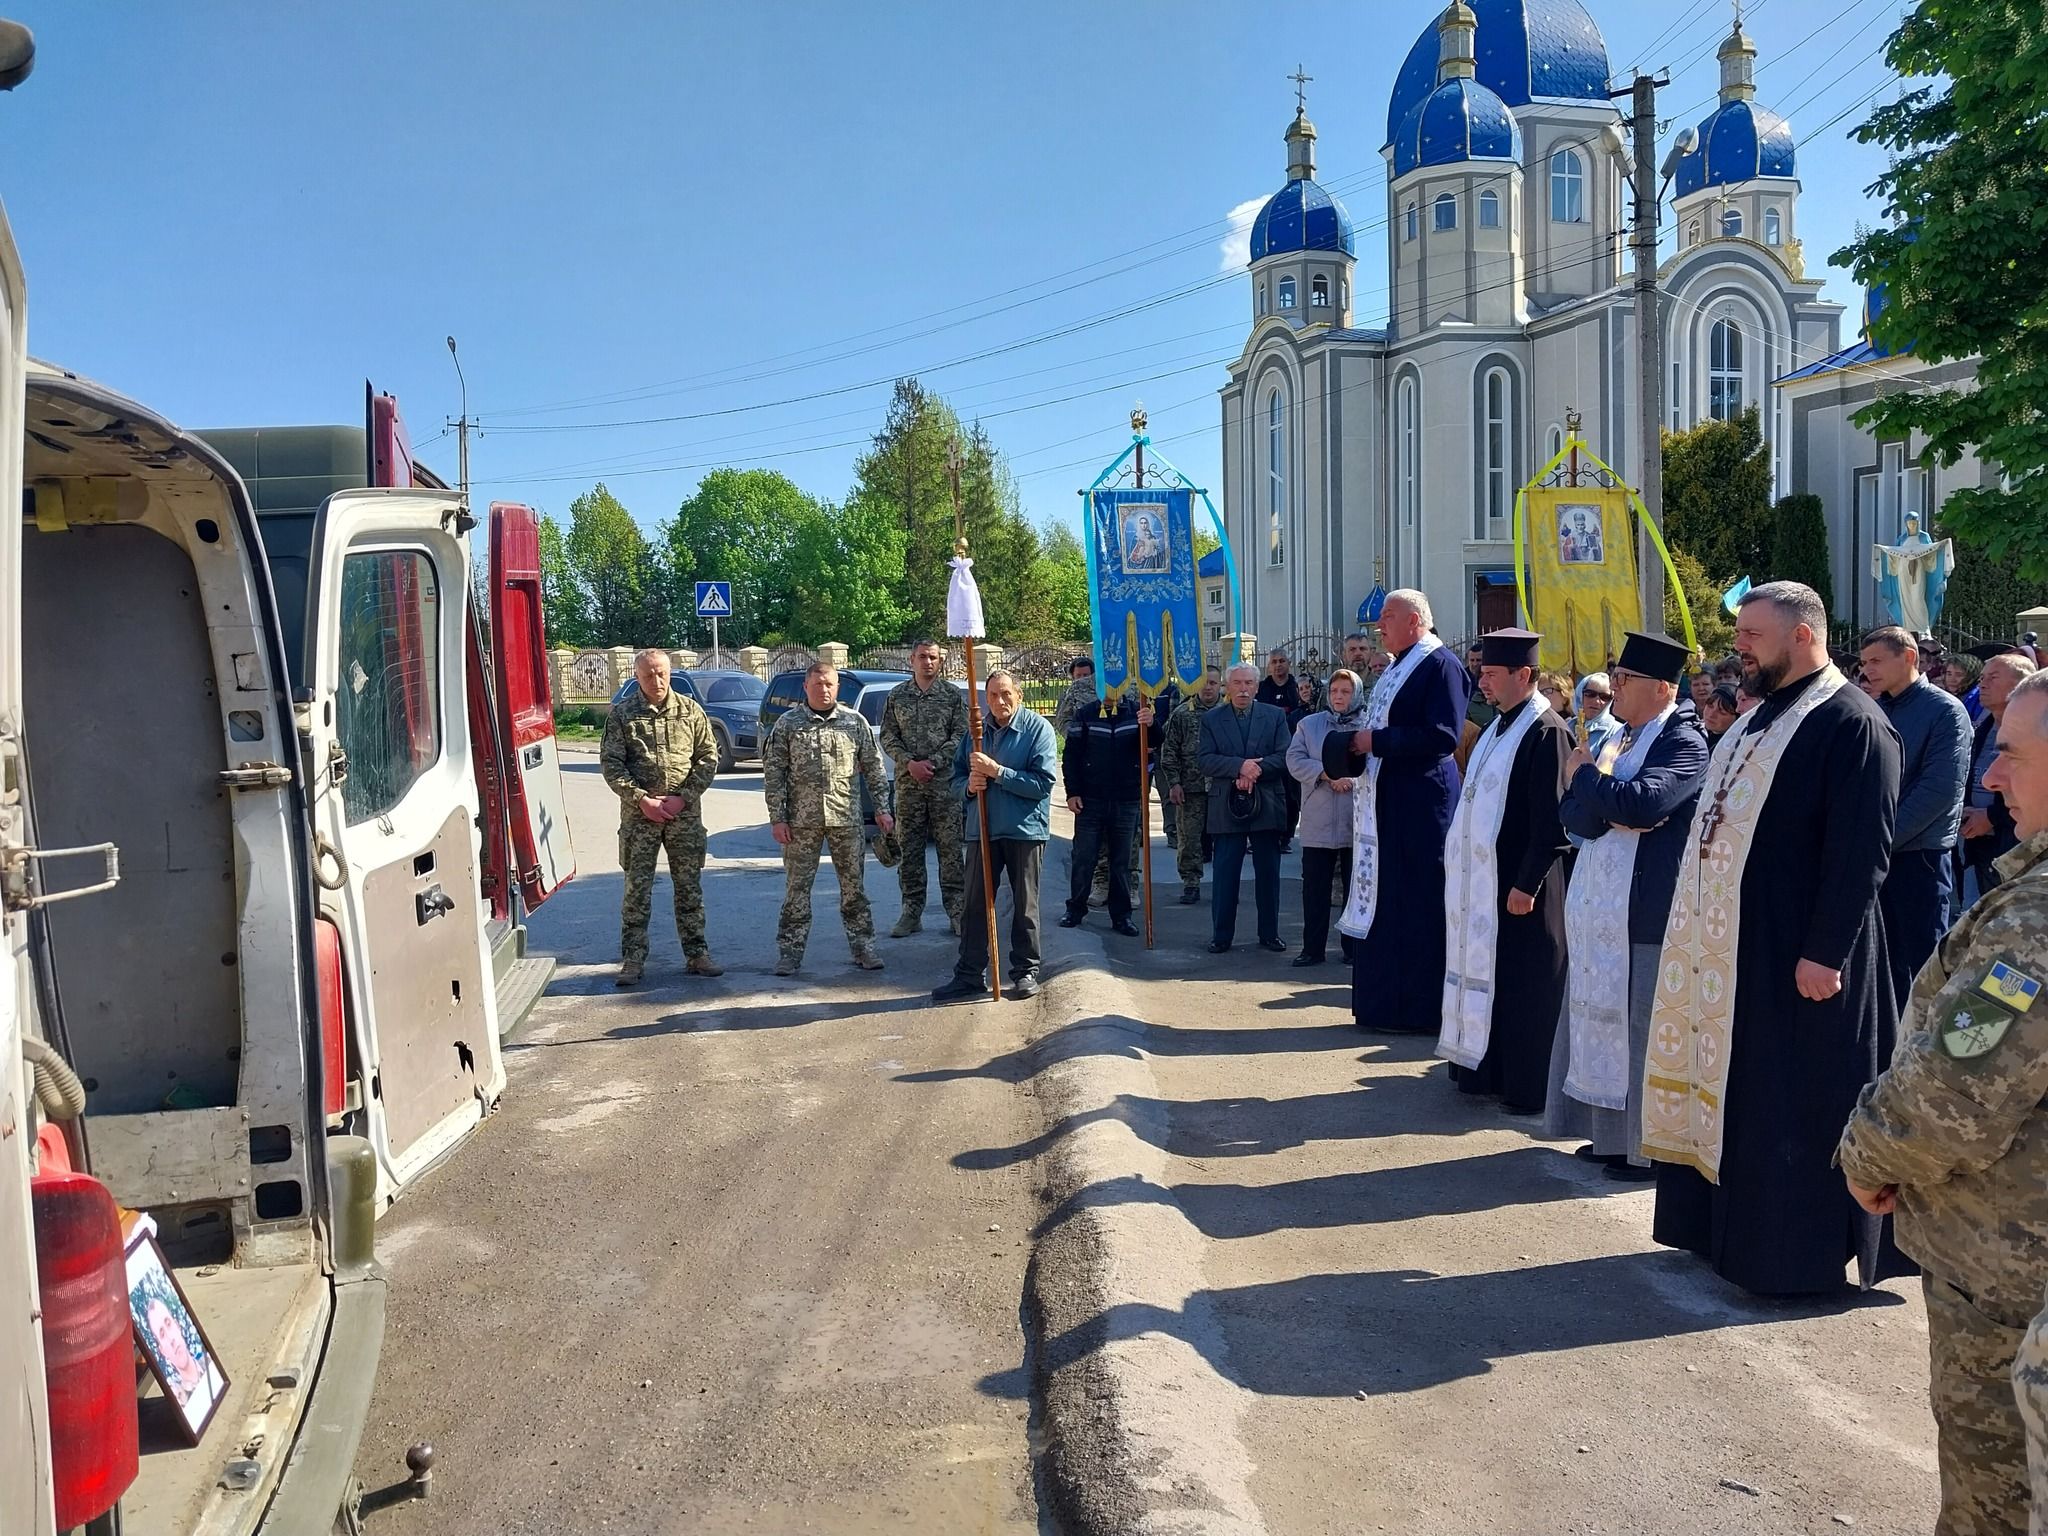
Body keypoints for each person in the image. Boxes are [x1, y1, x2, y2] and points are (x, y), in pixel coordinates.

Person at [1645, 582, 1903, 1296]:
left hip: (1806, 957)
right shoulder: (1760, 720)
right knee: (1744, 1099)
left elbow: (1862, 851)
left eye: (1753, 634)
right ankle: (1725, 1237)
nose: (1741, 647)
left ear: (1800, 635)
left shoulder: (1852, 721)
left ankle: (1794, 1262)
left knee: (1797, 1106)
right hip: (1735, 956)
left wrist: (1825, 951)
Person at [1836, 667, 2048, 1536]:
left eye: (2014, 756)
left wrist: (1867, 1156)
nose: (1992, 775)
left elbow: (1959, 1086)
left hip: (2010, 1274)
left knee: (1996, 1500)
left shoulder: (2033, 925)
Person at [1546, 632, 1709, 1179]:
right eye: (1612, 678)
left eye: (1624, 680)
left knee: (1639, 1030)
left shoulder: (1683, 741)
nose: (1613, 687)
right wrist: (1601, 794)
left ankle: (1647, 1149)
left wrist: (1589, 778)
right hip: (1603, 908)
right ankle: (1611, 1138)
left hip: (1645, 909)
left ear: (1662, 687)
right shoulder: (1621, 738)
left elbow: (1645, 804)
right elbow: (1579, 819)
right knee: (1602, 1022)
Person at [1436, 630, 1573, 1113]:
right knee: (1491, 976)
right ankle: (1485, 1072)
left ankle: (1526, 1085)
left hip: (1524, 887)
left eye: (1492, 674)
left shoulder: (1546, 730)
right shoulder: (1497, 727)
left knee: (1525, 988)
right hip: (1488, 883)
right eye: (1483, 672)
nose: (1483, 681)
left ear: (1525, 675)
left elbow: (1551, 818)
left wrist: (1526, 882)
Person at [1334, 590, 1472, 1032]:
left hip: (1420, 804)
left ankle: (1418, 1010)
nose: (1379, 626)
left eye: (1387, 617)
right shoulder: (1397, 666)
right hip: (1388, 802)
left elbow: (1443, 735)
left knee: (1417, 904)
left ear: (1415, 620)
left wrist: (1374, 742)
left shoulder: (1439, 664)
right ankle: (1382, 1005)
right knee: (1388, 901)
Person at [1861, 625, 1972, 1009]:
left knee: (1921, 969)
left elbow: (1938, 792)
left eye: (1876, 661)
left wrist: (1880, 840)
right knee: (1880, 968)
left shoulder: (1945, 711)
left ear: (1909, 657)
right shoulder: (1875, 708)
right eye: (1863, 663)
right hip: (1877, 854)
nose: (1867, 671)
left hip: (1918, 858)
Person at [933, 670, 1058, 1003]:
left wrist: (998, 773)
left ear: (1019, 695)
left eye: (1005, 694)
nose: (999, 702)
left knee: (1024, 905)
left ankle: (1025, 971)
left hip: (1023, 830)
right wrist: (969, 788)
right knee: (973, 906)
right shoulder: (975, 733)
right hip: (981, 830)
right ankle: (970, 974)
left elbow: (1042, 784)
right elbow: (956, 779)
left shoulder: (1037, 730)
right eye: (992, 696)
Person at [601, 648, 724, 986]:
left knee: (689, 888)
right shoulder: (623, 715)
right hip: (640, 818)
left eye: (661, 673)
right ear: (636, 676)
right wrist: (641, 799)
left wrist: (683, 798)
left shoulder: (691, 711)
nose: (656, 680)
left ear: (670, 673)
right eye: (648, 675)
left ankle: (697, 954)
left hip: (683, 816)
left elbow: (707, 758)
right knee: (637, 890)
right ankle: (633, 959)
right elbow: (612, 765)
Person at [764, 662, 893, 976]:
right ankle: (789, 953)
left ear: (837, 688)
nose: (824, 690)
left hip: (845, 818)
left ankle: (863, 947)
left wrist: (882, 808)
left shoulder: (854, 722)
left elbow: (875, 770)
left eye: (830, 685)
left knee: (854, 890)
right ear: (806, 687)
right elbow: (774, 774)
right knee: (797, 891)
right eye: (818, 684)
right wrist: (778, 818)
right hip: (800, 822)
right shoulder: (788, 724)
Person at [1199, 662, 1291, 953]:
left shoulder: (1274, 716)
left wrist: (1255, 772)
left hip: (1266, 801)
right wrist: (1240, 767)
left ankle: (1269, 933)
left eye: (1248, 683)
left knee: (1268, 874)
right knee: (1225, 873)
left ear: (1257, 686)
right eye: (1237, 683)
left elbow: (1285, 755)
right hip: (1227, 804)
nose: (1242, 689)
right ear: (1227, 687)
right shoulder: (1212, 719)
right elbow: (1205, 760)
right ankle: (1221, 935)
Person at [879, 639, 968, 938]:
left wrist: (934, 761)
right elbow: (888, 737)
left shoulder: (952, 696)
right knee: (910, 851)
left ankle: (957, 911)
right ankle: (911, 911)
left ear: (940, 661)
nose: (927, 662)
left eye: (932, 657)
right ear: (911, 660)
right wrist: (910, 763)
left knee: (951, 850)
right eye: (922, 657)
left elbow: (961, 735)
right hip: (909, 785)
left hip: (944, 785)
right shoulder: (898, 696)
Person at [1061, 688, 1154, 937]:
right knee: (1084, 858)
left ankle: (1122, 916)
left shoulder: (1136, 712)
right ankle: (1076, 909)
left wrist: (1151, 724)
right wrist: (1073, 792)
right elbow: (1071, 755)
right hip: (1091, 800)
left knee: (1121, 862)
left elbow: (1154, 744)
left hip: (1126, 799)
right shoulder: (1086, 714)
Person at [1288, 669, 1365, 967]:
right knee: (1315, 890)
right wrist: (1327, 773)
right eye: (1334, 691)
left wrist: (1350, 780)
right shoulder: (1310, 725)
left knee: (1354, 888)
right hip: (1318, 819)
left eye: (1345, 692)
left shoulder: (1366, 725)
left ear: (1355, 694)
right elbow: (1294, 760)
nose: (1339, 697)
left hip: (1355, 822)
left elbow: (1375, 764)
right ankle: (1312, 948)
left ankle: (1352, 948)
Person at [1965, 654, 2039, 900]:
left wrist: (1991, 816)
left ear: (2021, 684)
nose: (1982, 685)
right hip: (1979, 843)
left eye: (1993, 678)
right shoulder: (1982, 726)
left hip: (2015, 841)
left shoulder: (2033, 732)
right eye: (1982, 678)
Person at [1159, 667, 1219, 904]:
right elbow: (1169, 751)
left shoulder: (1230, 712)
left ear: (1221, 685)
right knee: (1189, 839)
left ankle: (1225, 884)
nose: (1208, 687)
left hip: (1222, 788)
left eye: (1213, 683)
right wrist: (1173, 783)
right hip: (1191, 788)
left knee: (1225, 839)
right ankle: (1191, 883)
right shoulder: (1182, 714)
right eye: (1204, 683)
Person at [1575, 672, 1621, 758]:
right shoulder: (1568, 725)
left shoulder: (1617, 732)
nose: (1596, 701)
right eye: (1590, 694)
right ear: (1580, 696)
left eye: (1604, 697)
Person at [1464, 642, 1497, 732]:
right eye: (1472, 660)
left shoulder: (1496, 680)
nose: (1475, 664)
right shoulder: (1460, 677)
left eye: (1478, 660)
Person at [1701, 681, 1740, 746]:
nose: (1711, 714)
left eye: (1721, 712)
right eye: (1710, 706)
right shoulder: (1694, 733)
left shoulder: (1735, 746)